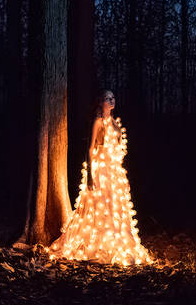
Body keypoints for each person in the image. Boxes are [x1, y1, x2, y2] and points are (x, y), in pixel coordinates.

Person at [50, 90, 152, 265]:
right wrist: (90, 174)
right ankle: (96, 242)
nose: (111, 101)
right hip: (101, 168)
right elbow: (90, 149)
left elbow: (119, 152)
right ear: (100, 102)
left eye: (113, 98)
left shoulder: (115, 123)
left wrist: (122, 175)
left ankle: (114, 240)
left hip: (114, 171)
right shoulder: (98, 122)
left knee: (115, 207)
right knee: (100, 206)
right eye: (107, 98)